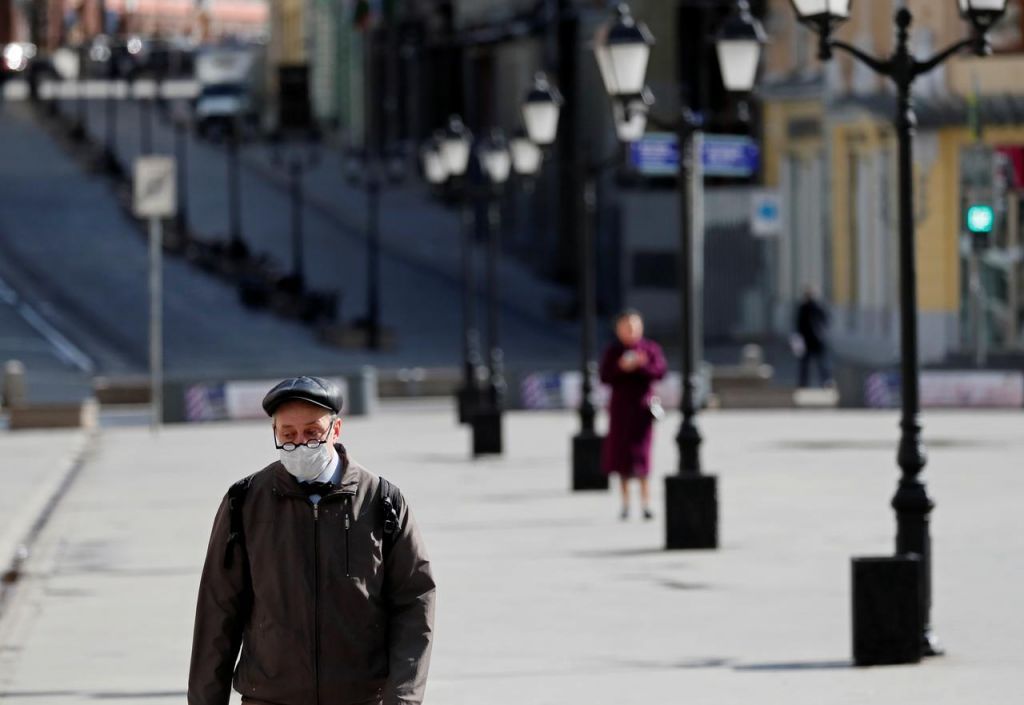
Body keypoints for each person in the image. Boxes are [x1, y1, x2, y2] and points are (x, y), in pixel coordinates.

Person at [188, 376, 436, 705]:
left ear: (336, 429)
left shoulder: (382, 500)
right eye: (288, 434)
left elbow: (414, 602)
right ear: (274, 432)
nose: (301, 444)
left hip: (360, 698)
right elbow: (218, 609)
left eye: (312, 432)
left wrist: (402, 699)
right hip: (270, 697)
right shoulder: (245, 502)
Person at [599, 310, 667, 520]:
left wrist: (641, 365)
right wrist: (621, 367)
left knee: (642, 457)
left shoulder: (649, 349)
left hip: (642, 410)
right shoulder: (614, 351)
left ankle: (646, 502)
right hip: (620, 411)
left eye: (633, 327)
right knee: (622, 459)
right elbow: (604, 376)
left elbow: (660, 371)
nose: (629, 331)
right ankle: (626, 503)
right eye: (625, 327)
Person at [794, 286, 833, 388]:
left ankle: (804, 383)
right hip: (815, 339)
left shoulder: (805, 307)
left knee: (811, 364)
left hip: (810, 340)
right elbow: (826, 319)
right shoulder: (815, 306)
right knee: (820, 363)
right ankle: (825, 381)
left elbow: (798, 325)